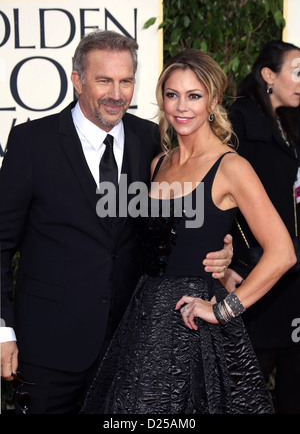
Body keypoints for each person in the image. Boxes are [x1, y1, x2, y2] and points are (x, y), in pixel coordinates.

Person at [0, 30, 233, 414]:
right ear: (78, 80)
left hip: (131, 343)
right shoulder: (32, 143)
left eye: (126, 81)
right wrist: (4, 330)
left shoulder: (153, 141)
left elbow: (191, 215)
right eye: (104, 80)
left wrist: (223, 251)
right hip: (48, 344)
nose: (116, 93)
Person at [80, 48, 296, 415]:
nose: (182, 106)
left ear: (212, 100)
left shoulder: (231, 167)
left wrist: (226, 309)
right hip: (144, 319)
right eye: (172, 94)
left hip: (194, 323)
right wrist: (225, 256)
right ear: (161, 98)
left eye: (194, 95)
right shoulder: (158, 162)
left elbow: (283, 252)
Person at [228, 40, 300, 414]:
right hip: (257, 280)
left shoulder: (292, 120)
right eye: (297, 71)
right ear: (268, 76)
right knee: (248, 396)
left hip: (294, 280)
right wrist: (234, 263)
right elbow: (222, 200)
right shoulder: (237, 120)